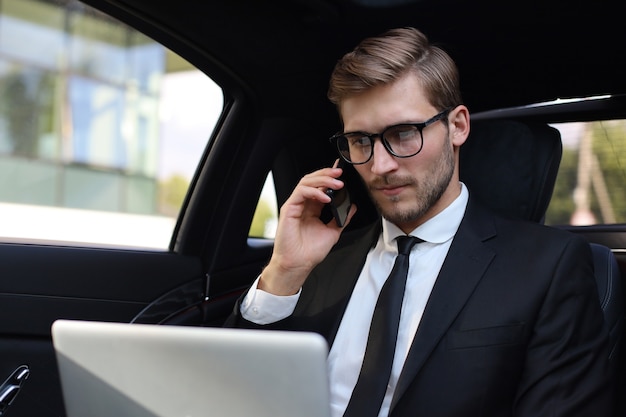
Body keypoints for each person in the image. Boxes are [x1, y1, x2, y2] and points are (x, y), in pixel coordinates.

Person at [225, 27, 614, 416]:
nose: (380, 166)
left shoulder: (548, 265)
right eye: (360, 141)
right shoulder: (318, 261)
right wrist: (284, 273)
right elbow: (232, 396)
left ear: (457, 126)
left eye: (403, 133)